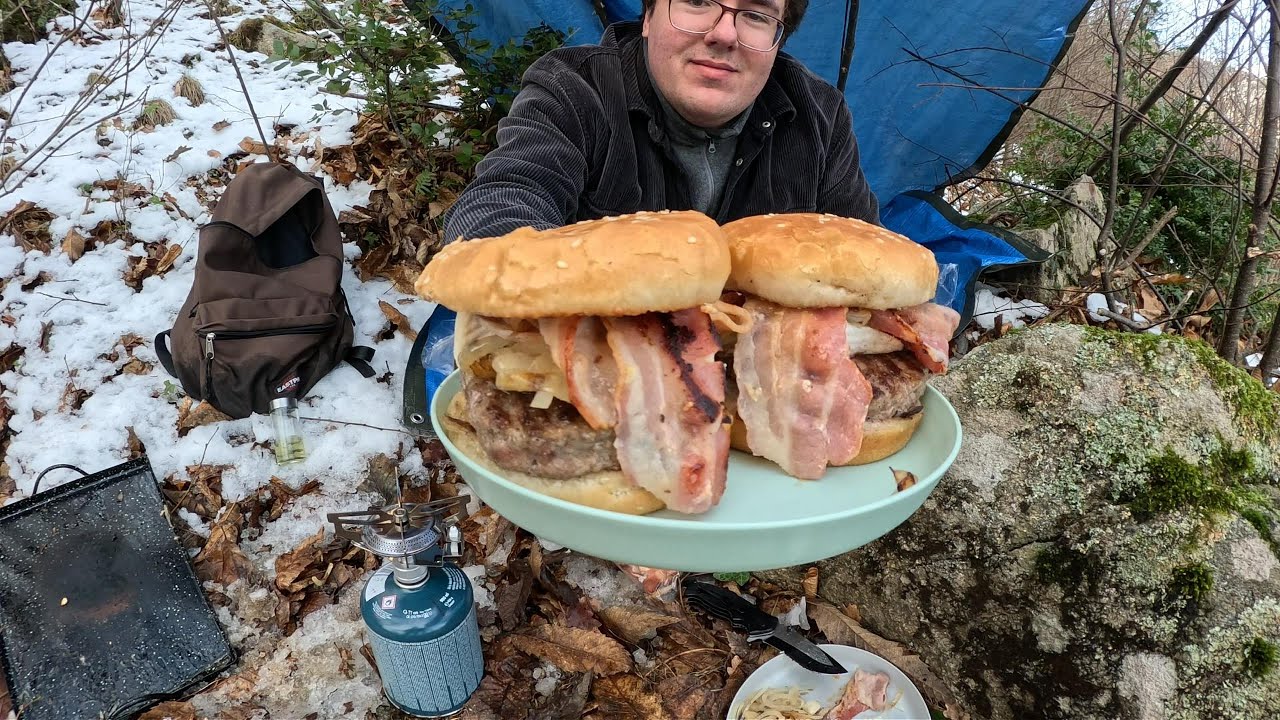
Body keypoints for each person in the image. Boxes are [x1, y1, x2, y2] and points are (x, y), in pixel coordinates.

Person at [442, 0, 880, 244]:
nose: (724, 34)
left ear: (778, 41)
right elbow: (506, 200)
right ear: (648, 17)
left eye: (756, 15)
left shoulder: (820, 115)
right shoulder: (576, 88)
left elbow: (862, 249)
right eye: (698, 2)